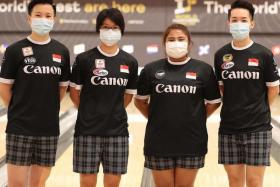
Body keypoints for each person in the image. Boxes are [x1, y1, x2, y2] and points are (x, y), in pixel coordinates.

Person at [135, 23, 221, 187]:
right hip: (158, 142)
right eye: (171, 39)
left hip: (192, 141)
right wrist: (157, 118)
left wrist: (195, 117)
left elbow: (214, 103)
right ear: (164, 43)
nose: (176, 43)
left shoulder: (203, 70)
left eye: (181, 39)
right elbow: (139, 101)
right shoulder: (151, 70)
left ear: (189, 43)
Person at [0, 0, 70, 186]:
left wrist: (46, 110)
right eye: (38, 15)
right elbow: (4, 87)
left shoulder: (61, 51)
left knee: (38, 184)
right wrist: (18, 110)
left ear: (54, 19)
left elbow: (62, 88)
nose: (43, 20)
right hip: (20, 127)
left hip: (48, 128)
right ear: (29, 19)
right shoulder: (15, 50)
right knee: (17, 184)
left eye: (48, 16)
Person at [70, 8, 138, 187]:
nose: (110, 31)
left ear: (121, 30)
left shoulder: (129, 62)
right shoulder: (84, 59)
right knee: (86, 183)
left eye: (114, 27)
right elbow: (75, 93)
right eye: (105, 27)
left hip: (117, 132)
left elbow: (128, 97)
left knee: (113, 184)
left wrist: (112, 111)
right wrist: (89, 111)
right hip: (87, 131)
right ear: (98, 29)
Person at [214, 1, 280, 187]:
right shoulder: (221, 55)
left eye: (244, 20)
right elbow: (222, 88)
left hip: (258, 128)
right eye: (234, 20)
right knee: (234, 182)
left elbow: (273, 88)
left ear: (252, 23)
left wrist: (259, 109)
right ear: (228, 23)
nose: (239, 23)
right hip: (229, 128)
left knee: (254, 182)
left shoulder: (264, 54)